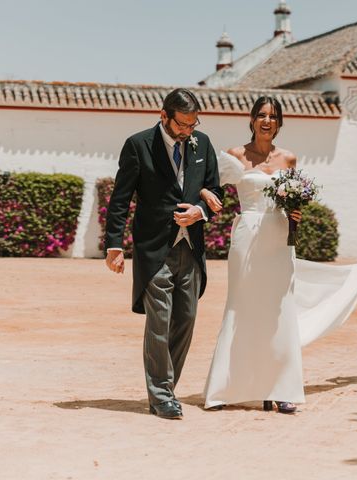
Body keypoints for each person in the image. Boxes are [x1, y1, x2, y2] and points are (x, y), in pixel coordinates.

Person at [200, 96, 357, 414]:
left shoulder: (288, 159)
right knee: (241, 307)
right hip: (246, 236)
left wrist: (296, 214)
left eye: (273, 116)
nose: (267, 120)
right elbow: (204, 184)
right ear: (251, 120)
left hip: (279, 239)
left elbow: (293, 202)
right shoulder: (234, 155)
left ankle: (281, 389)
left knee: (279, 311)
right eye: (261, 115)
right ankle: (225, 388)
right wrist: (205, 198)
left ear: (280, 123)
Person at [104, 88, 222, 420]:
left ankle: (166, 388)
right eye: (182, 125)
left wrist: (200, 211)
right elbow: (120, 198)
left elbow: (213, 189)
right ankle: (161, 395)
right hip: (154, 248)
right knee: (160, 321)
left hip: (192, 247)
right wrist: (115, 245)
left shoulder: (204, 143)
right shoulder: (138, 144)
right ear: (163, 116)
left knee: (185, 319)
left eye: (192, 124)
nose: (188, 131)